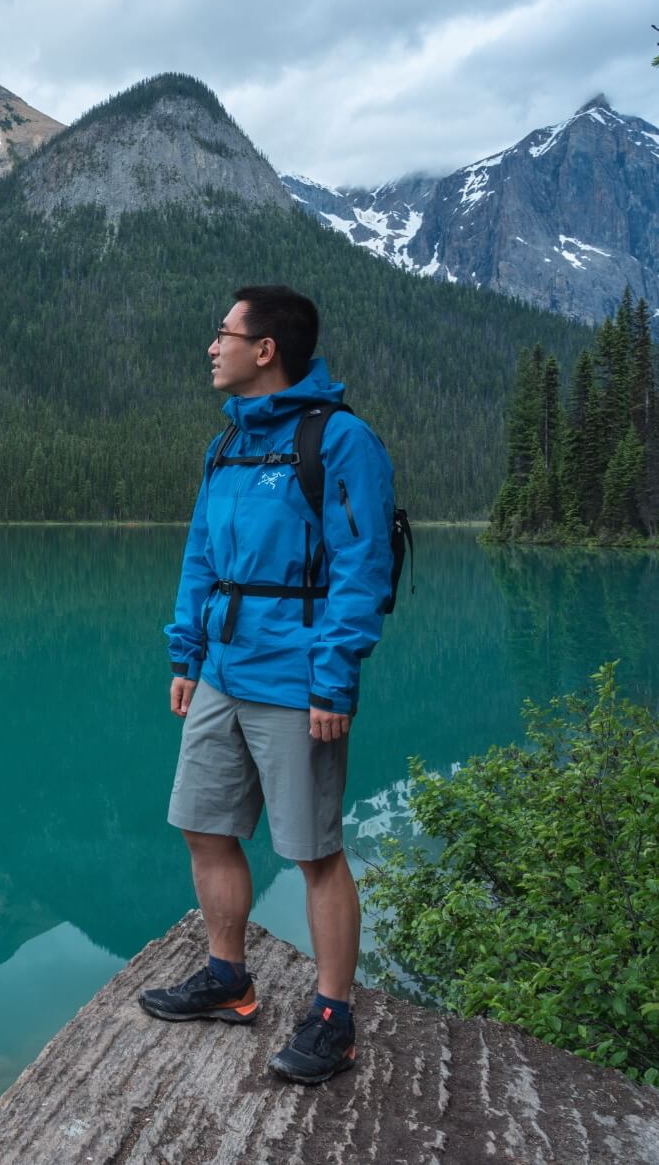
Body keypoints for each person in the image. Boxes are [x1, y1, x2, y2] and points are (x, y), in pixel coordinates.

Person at [138, 284, 397, 1086]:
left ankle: (332, 1016)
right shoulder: (225, 447)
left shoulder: (340, 440)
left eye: (223, 334)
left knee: (315, 851)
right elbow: (200, 558)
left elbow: (362, 567)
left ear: (266, 350)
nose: (211, 347)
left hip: (299, 678)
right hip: (223, 670)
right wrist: (187, 654)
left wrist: (333, 678)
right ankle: (228, 978)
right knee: (205, 826)